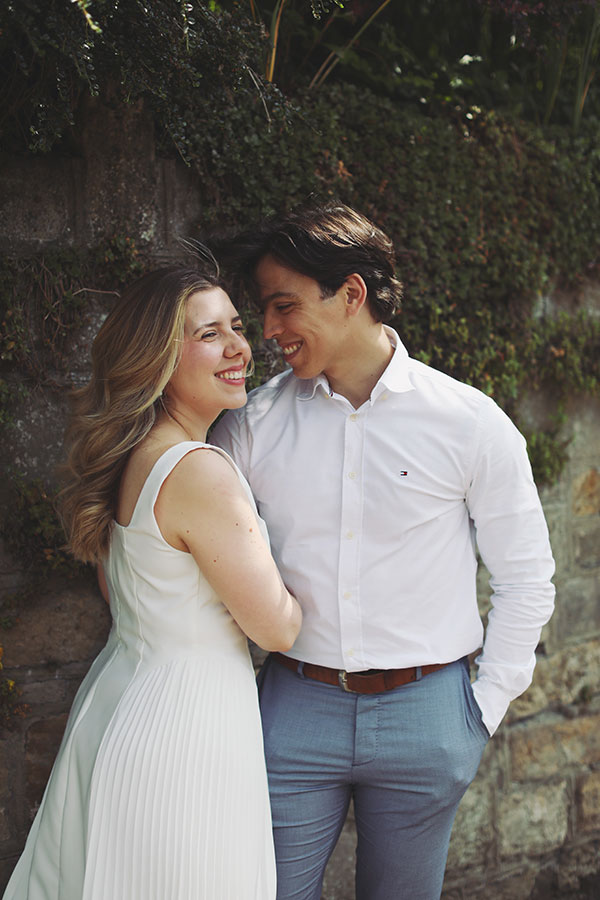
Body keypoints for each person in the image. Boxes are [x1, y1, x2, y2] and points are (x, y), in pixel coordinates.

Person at [210, 204, 556, 900]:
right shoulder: (250, 428)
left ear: (351, 294)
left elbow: (526, 577)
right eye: (265, 310)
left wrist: (480, 711)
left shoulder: (468, 422)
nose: (268, 331)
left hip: (427, 715)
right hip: (292, 710)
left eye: (283, 306)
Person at [4, 266, 301, 900]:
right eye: (208, 334)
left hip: (119, 698)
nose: (239, 349)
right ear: (159, 359)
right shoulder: (199, 472)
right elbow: (276, 627)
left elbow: (124, 597)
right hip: (188, 725)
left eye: (238, 329)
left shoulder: (131, 457)